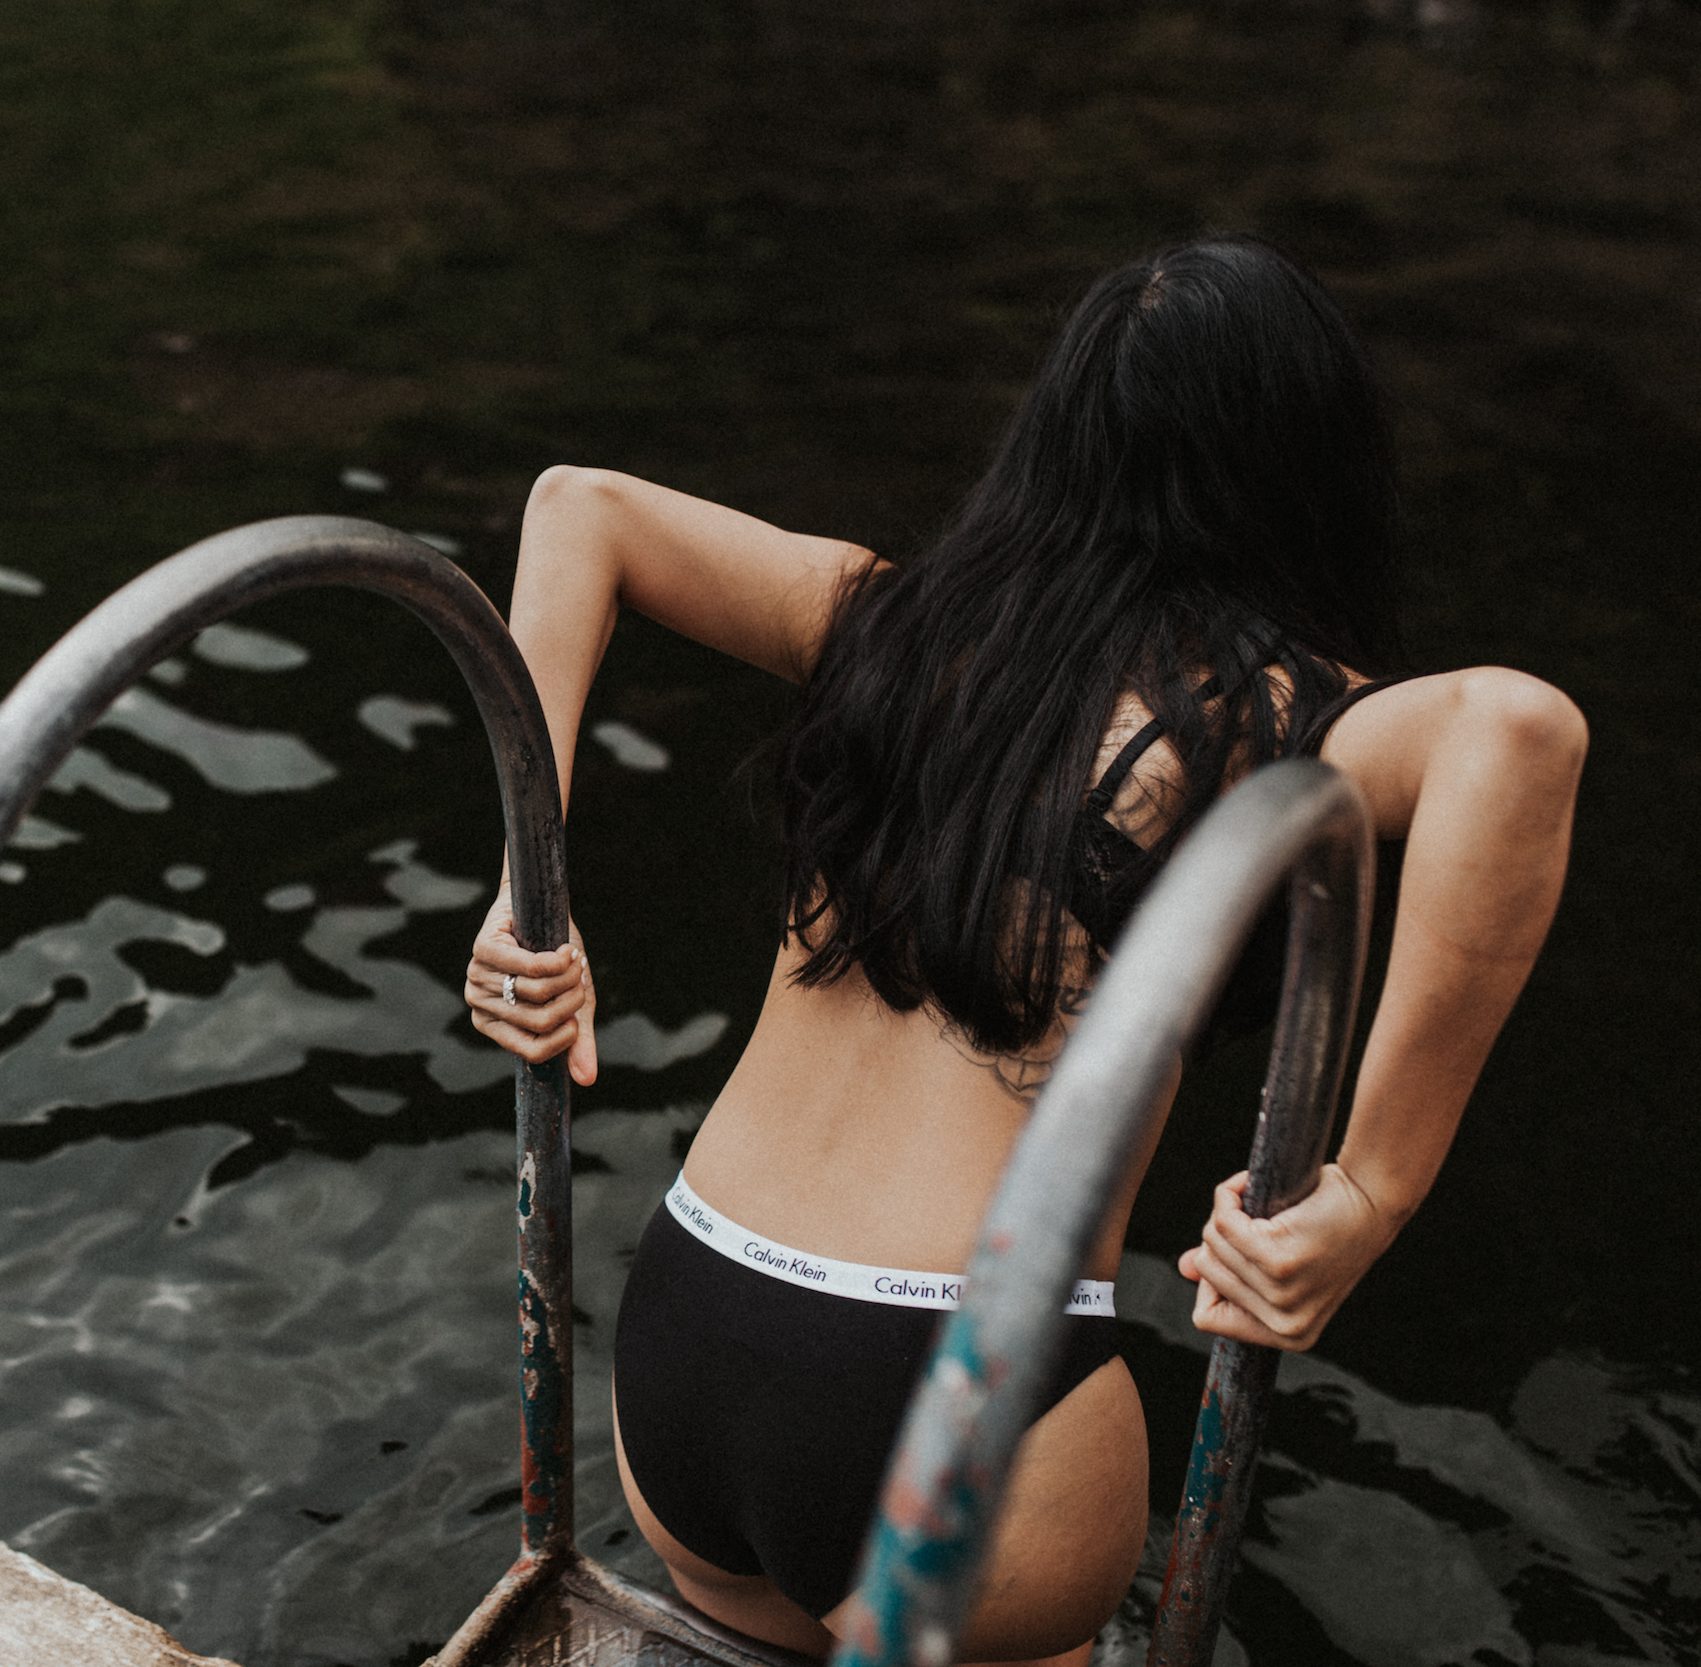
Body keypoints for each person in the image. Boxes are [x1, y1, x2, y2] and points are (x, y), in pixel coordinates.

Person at [462, 235, 1584, 1665]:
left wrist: (528, 896)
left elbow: (580, 510)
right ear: (1313, 467)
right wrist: (1366, 1190)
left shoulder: (889, 622)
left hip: (692, 1333)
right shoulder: (1267, 721)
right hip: (957, 1381)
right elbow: (1524, 732)